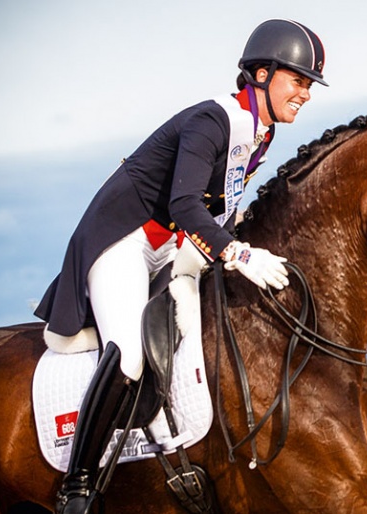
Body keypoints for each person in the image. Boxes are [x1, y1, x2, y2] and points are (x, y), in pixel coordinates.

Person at [34, 19, 327, 514]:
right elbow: (187, 204)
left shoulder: (259, 131)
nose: (305, 93)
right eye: (298, 80)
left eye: (308, 85)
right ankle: (78, 484)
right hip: (122, 241)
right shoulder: (214, 121)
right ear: (261, 73)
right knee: (129, 353)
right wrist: (237, 253)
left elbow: (218, 213)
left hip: (171, 244)